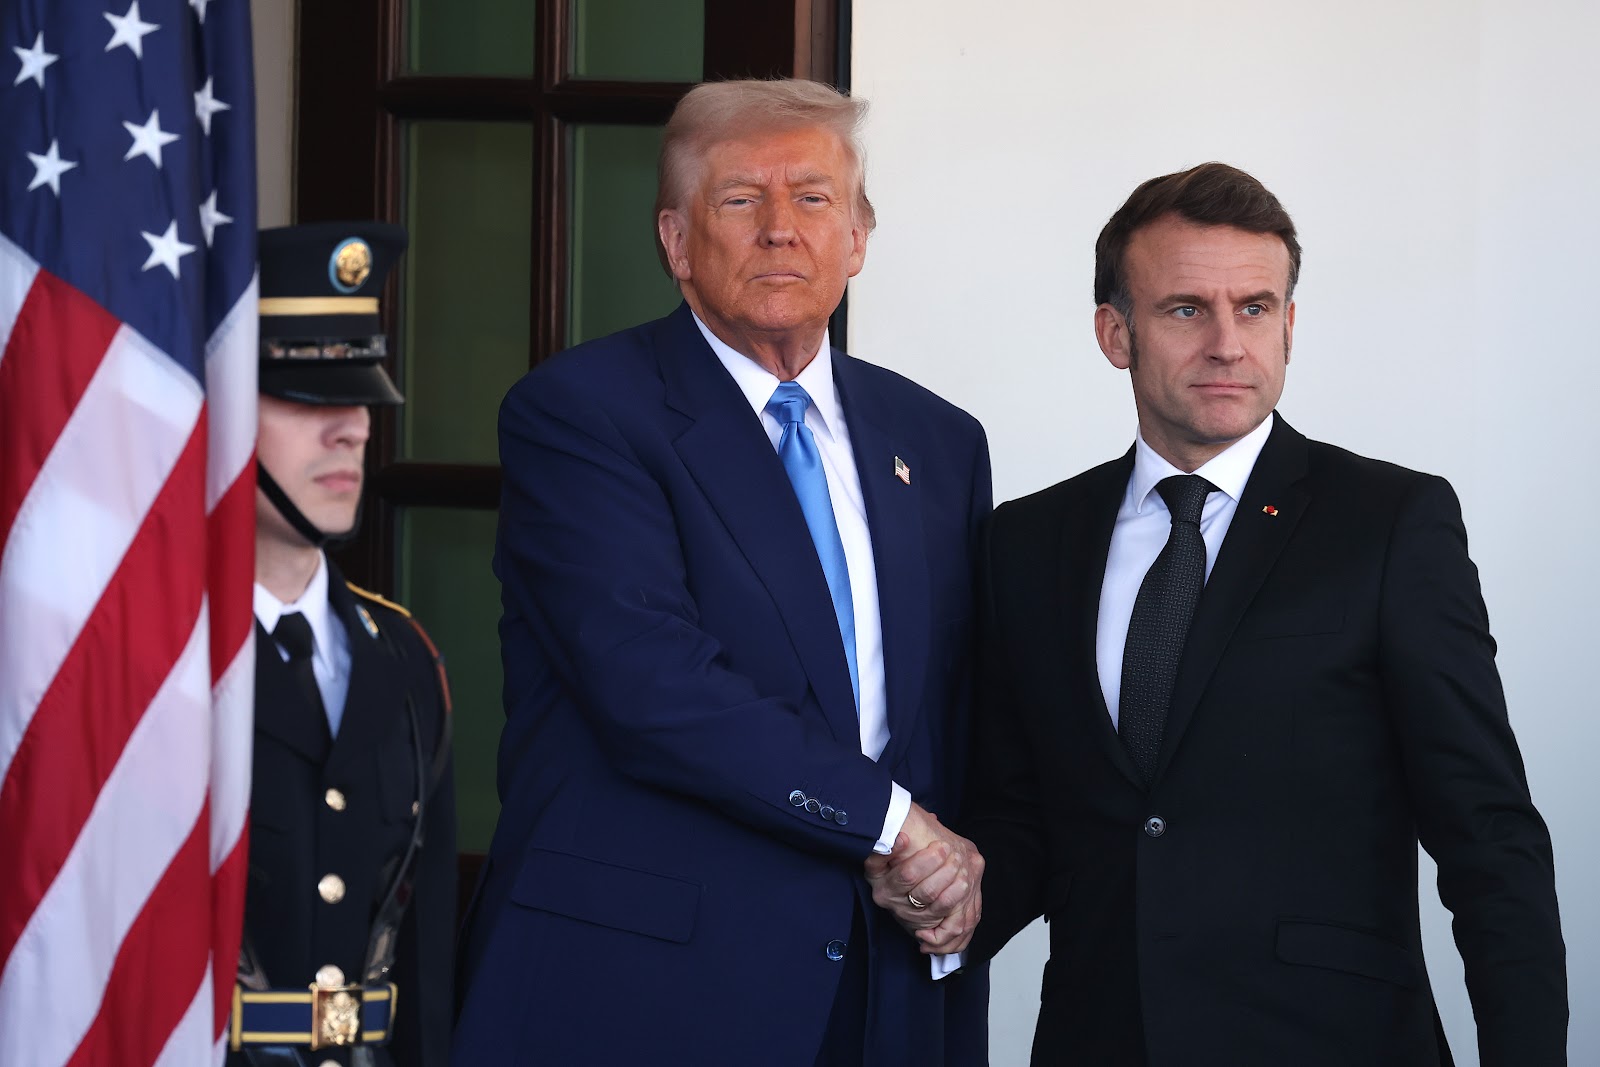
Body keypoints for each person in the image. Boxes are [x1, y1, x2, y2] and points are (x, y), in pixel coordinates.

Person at [916, 162, 1567, 1065]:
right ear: (1116, 332)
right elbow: (1025, 815)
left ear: (1290, 326)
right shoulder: (1026, 542)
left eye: (1255, 308)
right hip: (1100, 1039)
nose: (1228, 342)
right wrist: (948, 898)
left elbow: (1487, 832)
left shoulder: (1389, 524)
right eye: (1186, 309)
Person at [452, 79, 990, 1066]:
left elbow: (949, 716)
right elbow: (651, 683)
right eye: (741, 200)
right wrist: (895, 823)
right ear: (675, 241)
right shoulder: (580, 413)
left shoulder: (939, 442)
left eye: (814, 197)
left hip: (881, 988)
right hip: (650, 993)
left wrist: (955, 884)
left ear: (860, 236)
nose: (781, 229)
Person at [232, 222, 456, 1067]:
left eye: (359, 398)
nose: (352, 430)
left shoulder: (402, 654)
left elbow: (425, 959)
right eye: (306, 398)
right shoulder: (157, 656)